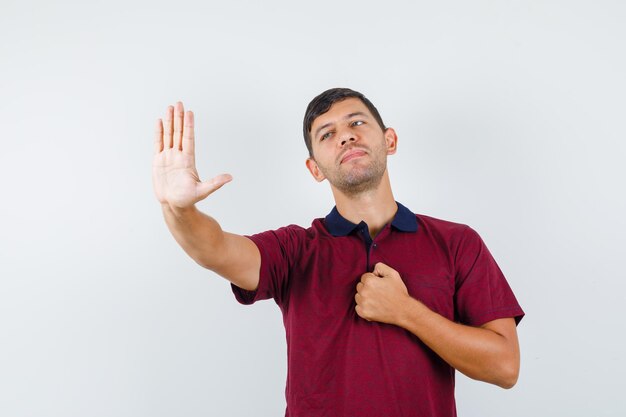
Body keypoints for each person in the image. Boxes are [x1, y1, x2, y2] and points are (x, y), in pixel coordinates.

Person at [152, 88, 524, 417]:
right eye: (327, 134)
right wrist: (180, 210)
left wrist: (407, 312)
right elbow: (214, 249)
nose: (345, 136)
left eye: (357, 123)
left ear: (389, 140)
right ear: (315, 168)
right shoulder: (294, 250)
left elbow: (505, 366)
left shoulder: (457, 242)